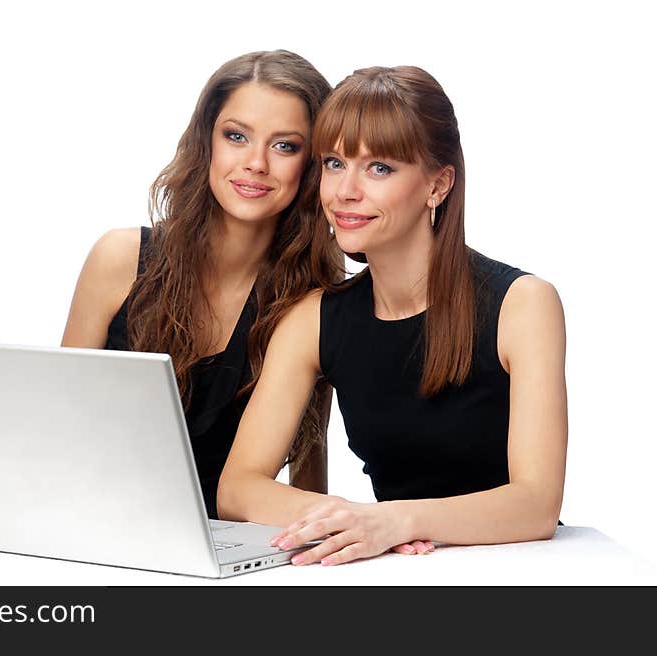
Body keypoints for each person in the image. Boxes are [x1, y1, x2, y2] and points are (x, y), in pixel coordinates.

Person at [217, 66, 568, 564]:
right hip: (397, 570)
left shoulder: (523, 304)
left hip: (520, 571)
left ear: (438, 185)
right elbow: (237, 489)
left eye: (379, 168)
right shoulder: (314, 318)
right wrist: (350, 518)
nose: (345, 191)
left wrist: (397, 519)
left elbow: (535, 505)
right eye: (335, 163)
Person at [60, 50, 345, 518]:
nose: (255, 163)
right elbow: (56, 423)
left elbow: (307, 469)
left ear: (312, 165)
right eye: (236, 136)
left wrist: (353, 528)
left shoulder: (312, 305)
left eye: (285, 146)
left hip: (218, 544)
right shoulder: (119, 258)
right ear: (206, 141)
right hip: (93, 522)